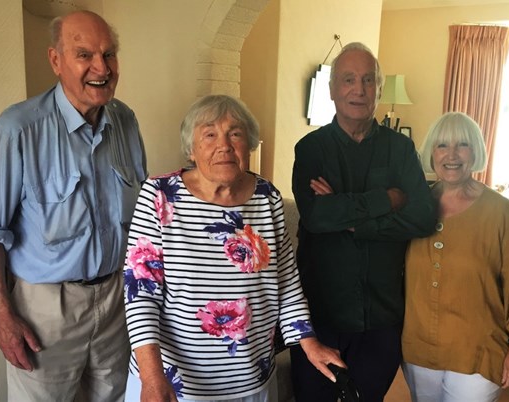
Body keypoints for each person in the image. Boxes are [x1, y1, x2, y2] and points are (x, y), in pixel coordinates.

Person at [0, 10, 147, 402]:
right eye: (84, 55)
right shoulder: (18, 128)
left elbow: (143, 216)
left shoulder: (126, 121)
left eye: (109, 54)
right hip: (46, 311)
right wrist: (2, 316)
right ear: (56, 60)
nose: (101, 68)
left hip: (117, 297)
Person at [123, 94, 345, 402]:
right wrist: (151, 377)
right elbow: (141, 294)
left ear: (250, 144)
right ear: (191, 148)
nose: (224, 145)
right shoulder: (160, 195)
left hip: (251, 380)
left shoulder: (267, 198)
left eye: (236, 133)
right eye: (210, 134)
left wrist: (308, 342)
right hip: (174, 385)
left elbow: (285, 281)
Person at [290, 41, 437, 402]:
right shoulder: (310, 150)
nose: (359, 89)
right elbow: (316, 216)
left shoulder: (400, 149)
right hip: (319, 318)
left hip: (381, 319)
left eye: (368, 80)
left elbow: (423, 216)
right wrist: (386, 199)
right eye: (349, 79)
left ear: (379, 90)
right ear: (332, 89)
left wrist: (357, 221)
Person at [402, 112, 509, 402]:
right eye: (442, 146)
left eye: (462, 145)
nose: (451, 155)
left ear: (475, 151)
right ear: (431, 152)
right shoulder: (415, 205)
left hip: (477, 349)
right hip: (419, 348)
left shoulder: (501, 211)